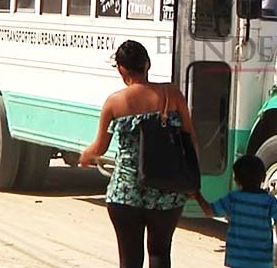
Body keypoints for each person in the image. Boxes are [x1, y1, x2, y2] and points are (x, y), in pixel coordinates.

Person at [79, 40, 198, 268]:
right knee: (160, 254)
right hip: (167, 190)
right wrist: (193, 180)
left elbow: (100, 148)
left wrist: (86, 155)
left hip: (125, 193)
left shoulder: (114, 102)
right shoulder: (172, 94)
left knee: (129, 260)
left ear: (121, 69)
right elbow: (190, 138)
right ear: (147, 64)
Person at [193, 155, 277, 268]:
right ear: (263, 177)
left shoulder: (233, 198)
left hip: (237, 261)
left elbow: (210, 211)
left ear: (236, 180)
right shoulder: (269, 201)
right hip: (262, 262)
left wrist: (197, 195)